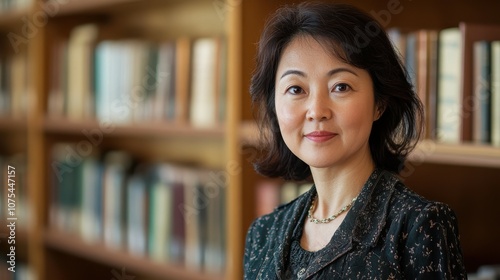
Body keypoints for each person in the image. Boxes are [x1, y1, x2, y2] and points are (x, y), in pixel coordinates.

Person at [244, 2, 467, 279]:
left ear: (380, 103)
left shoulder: (419, 226)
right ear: (274, 105)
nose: (316, 111)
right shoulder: (262, 233)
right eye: (296, 89)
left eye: (341, 87)